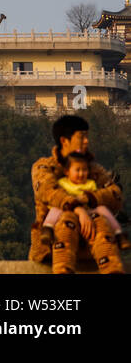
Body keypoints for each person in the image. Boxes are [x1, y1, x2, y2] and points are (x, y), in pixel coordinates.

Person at [29, 115, 124, 274]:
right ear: (64, 141)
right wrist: (78, 209)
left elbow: (115, 195)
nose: (86, 141)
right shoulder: (44, 167)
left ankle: (112, 269)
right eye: (82, 137)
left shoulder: (92, 170)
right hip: (51, 244)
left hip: (90, 243)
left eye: (87, 137)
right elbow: (49, 192)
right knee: (67, 219)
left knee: (99, 220)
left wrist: (90, 198)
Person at [40, 151, 128, 250]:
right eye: (77, 170)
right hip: (67, 211)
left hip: (87, 211)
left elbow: (94, 199)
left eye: (84, 170)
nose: (81, 173)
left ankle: (119, 233)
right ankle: (47, 228)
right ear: (67, 171)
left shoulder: (90, 184)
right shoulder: (62, 183)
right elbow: (59, 197)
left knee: (102, 209)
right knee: (55, 208)